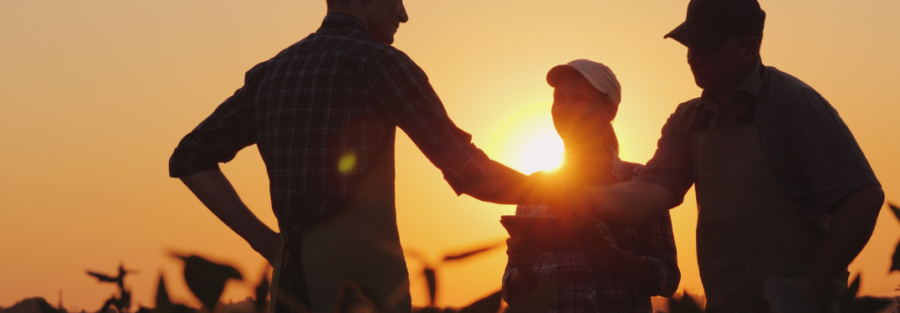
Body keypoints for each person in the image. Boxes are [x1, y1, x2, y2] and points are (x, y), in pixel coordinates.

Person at [167, 0, 572, 312]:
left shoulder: (269, 74)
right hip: (364, 288)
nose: (404, 14)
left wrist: (268, 244)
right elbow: (469, 171)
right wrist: (569, 193)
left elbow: (190, 157)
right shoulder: (378, 63)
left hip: (291, 288)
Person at [559, 0, 884, 312]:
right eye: (690, 45)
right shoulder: (688, 121)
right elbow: (650, 192)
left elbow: (863, 198)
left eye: (708, 47)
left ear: (750, 47)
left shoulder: (795, 106)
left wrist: (810, 287)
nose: (694, 57)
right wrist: (589, 199)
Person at [502, 60, 680, 313]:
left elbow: (668, 278)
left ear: (610, 111)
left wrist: (616, 259)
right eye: (560, 98)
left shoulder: (642, 182)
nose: (566, 108)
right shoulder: (534, 187)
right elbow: (513, 293)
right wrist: (523, 266)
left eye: (580, 100)